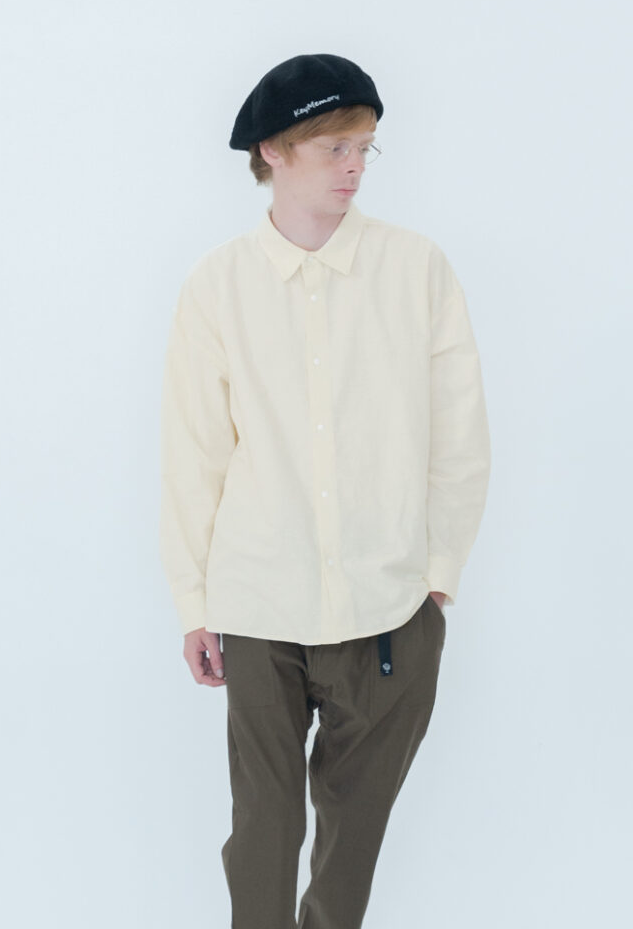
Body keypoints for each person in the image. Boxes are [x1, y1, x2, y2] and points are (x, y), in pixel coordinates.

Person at [159, 53, 491, 929]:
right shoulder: (218, 286)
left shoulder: (416, 269)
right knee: (262, 833)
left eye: (365, 148)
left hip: (391, 608)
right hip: (259, 606)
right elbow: (194, 454)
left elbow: (459, 435)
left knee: (353, 839)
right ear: (273, 151)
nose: (354, 167)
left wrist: (436, 576)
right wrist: (195, 601)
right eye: (334, 147)